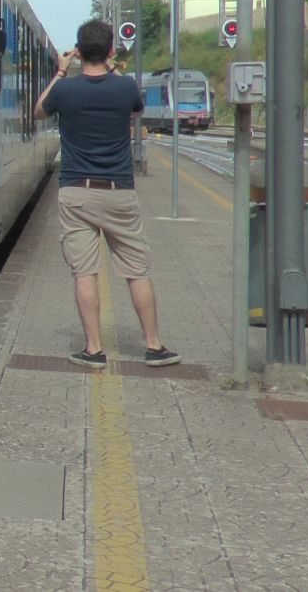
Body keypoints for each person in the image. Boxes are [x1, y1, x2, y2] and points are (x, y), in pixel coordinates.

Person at [34, 19, 180, 370]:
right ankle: (154, 346)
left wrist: (59, 72)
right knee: (136, 271)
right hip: (119, 193)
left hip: (77, 194)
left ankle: (94, 350)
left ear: (79, 51)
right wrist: (113, 69)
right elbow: (137, 109)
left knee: (85, 272)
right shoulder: (125, 87)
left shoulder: (65, 90)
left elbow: (38, 111)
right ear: (111, 51)